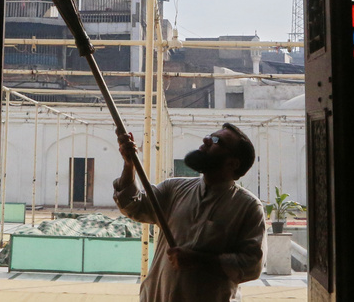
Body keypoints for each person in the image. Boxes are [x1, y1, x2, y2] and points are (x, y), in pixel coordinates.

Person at [113, 123, 266, 302]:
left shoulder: (248, 207)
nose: (206, 140)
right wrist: (129, 164)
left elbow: (252, 265)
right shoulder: (173, 188)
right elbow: (133, 206)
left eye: (217, 141)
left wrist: (199, 260)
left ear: (232, 163)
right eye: (210, 135)